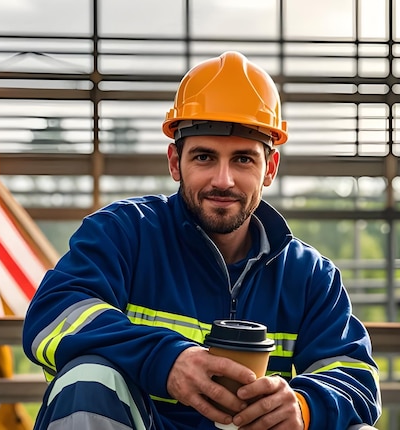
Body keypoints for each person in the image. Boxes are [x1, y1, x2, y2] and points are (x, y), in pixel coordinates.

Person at [22, 51, 381, 430]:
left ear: (269, 169)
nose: (223, 180)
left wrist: (304, 407)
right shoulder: (124, 233)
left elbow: (357, 378)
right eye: (205, 157)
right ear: (175, 163)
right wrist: (167, 360)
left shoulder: (310, 276)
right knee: (89, 378)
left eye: (243, 159)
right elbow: (53, 314)